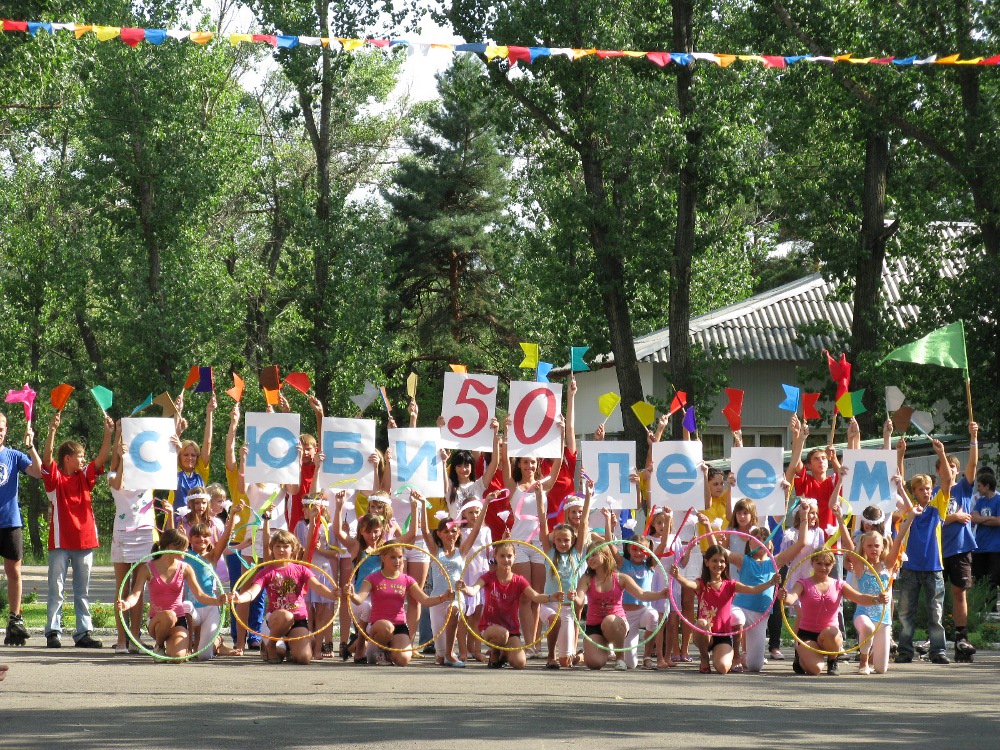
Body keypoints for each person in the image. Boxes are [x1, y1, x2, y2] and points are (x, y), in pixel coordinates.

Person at [42, 410, 113, 648]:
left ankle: (83, 633)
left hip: (85, 543)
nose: (83, 460)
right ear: (67, 459)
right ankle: (53, 632)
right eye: (80, 456)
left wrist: (108, 433)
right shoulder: (55, 480)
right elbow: (46, 458)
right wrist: (52, 430)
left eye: (83, 457)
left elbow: (102, 459)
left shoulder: (84, 477)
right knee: (56, 589)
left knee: (82, 591)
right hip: (61, 544)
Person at [711, 510, 810, 672]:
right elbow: (719, 551)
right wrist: (710, 529)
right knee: (736, 616)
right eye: (757, 539)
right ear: (750, 543)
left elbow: (801, 543)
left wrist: (804, 516)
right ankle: (735, 655)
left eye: (765, 539)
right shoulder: (743, 560)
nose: (761, 542)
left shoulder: (775, 561)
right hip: (741, 609)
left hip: (762, 614)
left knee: (755, 666)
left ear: (771, 544)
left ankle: (744, 657)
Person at [501, 418, 564, 658]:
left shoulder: (542, 486)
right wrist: (506, 433)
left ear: (537, 465)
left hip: (540, 541)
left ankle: (536, 642)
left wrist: (559, 435)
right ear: (520, 464)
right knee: (524, 596)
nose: (529, 465)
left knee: (538, 595)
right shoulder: (513, 485)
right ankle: (527, 642)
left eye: (533, 462)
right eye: (525, 462)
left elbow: (558, 466)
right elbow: (505, 462)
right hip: (519, 543)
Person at [107, 422, 169, 654]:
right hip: (123, 534)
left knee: (138, 588)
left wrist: (176, 437)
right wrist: (122, 458)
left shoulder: (150, 474)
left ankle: (134, 637)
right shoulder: (113, 474)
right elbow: (119, 483)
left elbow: (167, 459)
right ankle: (121, 640)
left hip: (144, 533)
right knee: (122, 588)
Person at [234, 529, 340, 664]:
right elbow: (253, 592)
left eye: (285, 546)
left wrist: (333, 594)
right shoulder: (267, 571)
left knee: (303, 658)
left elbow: (318, 586)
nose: (281, 550)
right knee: (280, 646)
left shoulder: (301, 570)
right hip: (277, 619)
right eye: (277, 546)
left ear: (293, 549)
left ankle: (298, 643)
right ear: (272, 549)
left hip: (298, 620)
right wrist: (239, 598)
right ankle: (270, 645)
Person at [116, 528, 226, 659]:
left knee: (177, 657)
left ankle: (171, 646)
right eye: (183, 547)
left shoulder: (185, 568)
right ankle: (159, 646)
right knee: (169, 615)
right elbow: (135, 594)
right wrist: (126, 604)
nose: (186, 551)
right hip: (157, 621)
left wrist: (217, 601)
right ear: (171, 547)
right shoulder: (147, 568)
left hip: (179, 620)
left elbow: (200, 595)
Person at [671, 543, 779, 675]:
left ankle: (728, 653)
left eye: (722, 561)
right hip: (705, 633)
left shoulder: (730, 585)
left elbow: (753, 590)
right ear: (706, 562)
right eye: (714, 561)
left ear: (726, 564)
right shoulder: (702, 584)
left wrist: (771, 582)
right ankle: (704, 658)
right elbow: (689, 584)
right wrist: (677, 576)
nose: (719, 564)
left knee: (722, 668)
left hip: (723, 635)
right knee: (701, 623)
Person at [779, 548, 889, 676]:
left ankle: (832, 661)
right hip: (807, 635)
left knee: (832, 632)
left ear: (833, 565)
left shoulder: (838, 584)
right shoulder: (803, 583)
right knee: (815, 670)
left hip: (829, 634)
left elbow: (859, 598)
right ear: (812, 563)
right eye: (819, 563)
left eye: (827, 564)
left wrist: (877, 599)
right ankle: (801, 657)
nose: (823, 567)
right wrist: (784, 597)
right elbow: (791, 598)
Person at [344, 543, 453, 666]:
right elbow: (359, 600)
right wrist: (352, 595)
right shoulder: (372, 578)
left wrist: (443, 597)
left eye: (400, 557)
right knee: (386, 627)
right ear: (383, 557)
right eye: (393, 557)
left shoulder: (407, 579)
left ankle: (383, 652)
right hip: (378, 626)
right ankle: (378, 651)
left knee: (403, 660)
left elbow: (425, 600)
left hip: (399, 625)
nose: (398, 561)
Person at [457, 540, 561, 669]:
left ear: (515, 557)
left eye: (509, 556)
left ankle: (502, 656)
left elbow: (535, 596)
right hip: (489, 628)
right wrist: (465, 588)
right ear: (495, 556)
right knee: (502, 635)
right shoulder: (488, 577)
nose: (506, 559)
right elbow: (474, 590)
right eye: (502, 556)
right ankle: (495, 653)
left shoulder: (519, 580)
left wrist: (552, 597)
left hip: (511, 630)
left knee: (519, 663)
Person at [845, 480, 913, 674]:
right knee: (865, 628)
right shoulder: (860, 563)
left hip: (882, 618)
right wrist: (839, 520)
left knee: (882, 670)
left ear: (883, 546)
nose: (873, 550)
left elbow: (899, 539)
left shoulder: (888, 564)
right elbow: (848, 543)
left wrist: (911, 517)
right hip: (864, 614)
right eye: (869, 546)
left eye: (877, 546)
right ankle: (863, 662)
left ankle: (876, 655)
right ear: (863, 547)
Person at [895, 437, 953, 664]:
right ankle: (905, 651)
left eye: (928, 488)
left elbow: (947, 481)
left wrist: (941, 453)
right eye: (921, 489)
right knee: (906, 614)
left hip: (933, 567)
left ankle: (938, 651)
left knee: (936, 614)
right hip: (910, 566)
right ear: (914, 491)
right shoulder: (909, 507)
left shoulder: (938, 505)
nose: (926, 492)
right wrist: (900, 454)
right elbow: (899, 480)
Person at [420, 487, 489, 667]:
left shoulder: (462, 551)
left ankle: (451, 653)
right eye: (446, 531)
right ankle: (444, 653)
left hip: (456, 597)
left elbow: (474, 532)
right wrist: (420, 505)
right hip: (437, 598)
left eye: (454, 531)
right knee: (439, 657)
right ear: (439, 534)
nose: (450, 535)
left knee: (455, 610)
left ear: (458, 532)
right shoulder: (435, 551)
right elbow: (424, 530)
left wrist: (486, 503)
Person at [538, 480, 591, 668]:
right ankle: (550, 655)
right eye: (558, 540)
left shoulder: (576, 553)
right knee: (554, 619)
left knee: (566, 663)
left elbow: (584, 524)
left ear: (573, 540)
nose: (562, 543)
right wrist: (539, 496)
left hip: (568, 607)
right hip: (550, 603)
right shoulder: (549, 552)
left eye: (566, 540)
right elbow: (542, 520)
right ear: (554, 540)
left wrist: (589, 497)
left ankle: (577, 656)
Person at [0, 411, 42, 646]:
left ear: (6, 430)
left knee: (13, 572)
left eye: (1, 428)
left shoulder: (14, 456)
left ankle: (15, 620)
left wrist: (31, 447)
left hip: (10, 522)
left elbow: (38, 472)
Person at [330, 491, 386, 663]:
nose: (373, 535)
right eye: (368, 532)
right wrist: (339, 506)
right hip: (360, 599)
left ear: (382, 531)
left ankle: (352, 647)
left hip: (380, 596)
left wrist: (416, 508)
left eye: (376, 531)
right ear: (361, 532)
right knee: (367, 608)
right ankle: (359, 648)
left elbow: (411, 536)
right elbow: (338, 532)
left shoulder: (385, 548)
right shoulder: (356, 547)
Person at [941, 421, 980, 660]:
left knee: (959, 592)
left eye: (954, 467)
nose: (951, 470)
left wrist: (973, 438)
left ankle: (960, 637)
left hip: (960, 547)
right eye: (946, 467)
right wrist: (953, 516)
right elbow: (932, 519)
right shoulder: (933, 492)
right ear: (939, 471)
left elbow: (973, 464)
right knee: (935, 594)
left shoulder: (963, 489)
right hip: (936, 550)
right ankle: (935, 637)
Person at [186, 515, 240, 661]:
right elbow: (173, 542)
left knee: (203, 655)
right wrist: (170, 515)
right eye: (197, 536)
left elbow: (223, 540)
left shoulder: (212, 557)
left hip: (209, 606)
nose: (201, 539)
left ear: (210, 538)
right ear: (190, 539)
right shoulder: (184, 555)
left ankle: (217, 644)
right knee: (185, 607)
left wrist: (233, 519)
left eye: (205, 536)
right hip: (191, 608)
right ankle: (190, 643)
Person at [293, 493, 339, 658]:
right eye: (304, 507)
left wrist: (320, 549)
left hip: (322, 571)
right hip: (307, 570)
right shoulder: (300, 526)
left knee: (321, 612)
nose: (305, 510)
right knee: (308, 612)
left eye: (309, 507)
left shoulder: (329, 527)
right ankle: (308, 645)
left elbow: (335, 553)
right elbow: (297, 548)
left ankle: (319, 647)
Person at [456, 497, 493, 663]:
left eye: (477, 512)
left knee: (478, 613)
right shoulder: (459, 531)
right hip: (465, 573)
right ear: (463, 513)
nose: (474, 515)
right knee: (463, 614)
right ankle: (462, 650)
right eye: (470, 512)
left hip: (480, 572)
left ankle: (476, 649)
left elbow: (490, 553)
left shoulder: (486, 530)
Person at [169, 391, 215, 516]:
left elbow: (207, 442)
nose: (190, 458)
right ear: (179, 456)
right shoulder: (174, 470)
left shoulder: (201, 471)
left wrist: (209, 413)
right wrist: (177, 411)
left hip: (197, 526)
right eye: (186, 454)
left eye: (193, 455)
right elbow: (173, 441)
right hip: (175, 523)